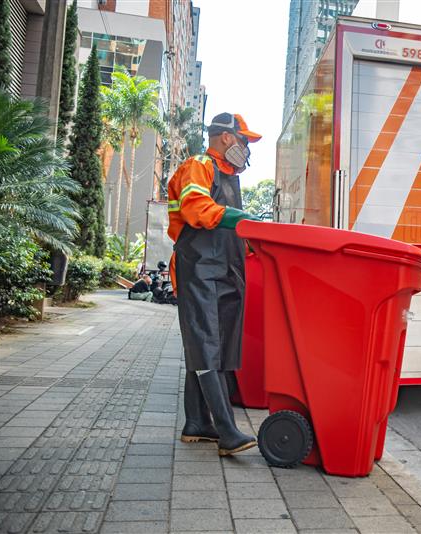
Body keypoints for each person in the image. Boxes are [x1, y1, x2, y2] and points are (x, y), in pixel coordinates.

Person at [167, 112, 262, 456]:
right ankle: (226, 431)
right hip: (199, 266)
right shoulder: (199, 165)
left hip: (226, 269)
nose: (247, 148)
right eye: (245, 141)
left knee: (216, 346)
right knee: (206, 342)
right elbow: (196, 209)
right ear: (226, 137)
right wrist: (242, 219)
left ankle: (197, 423)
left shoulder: (229, 177)